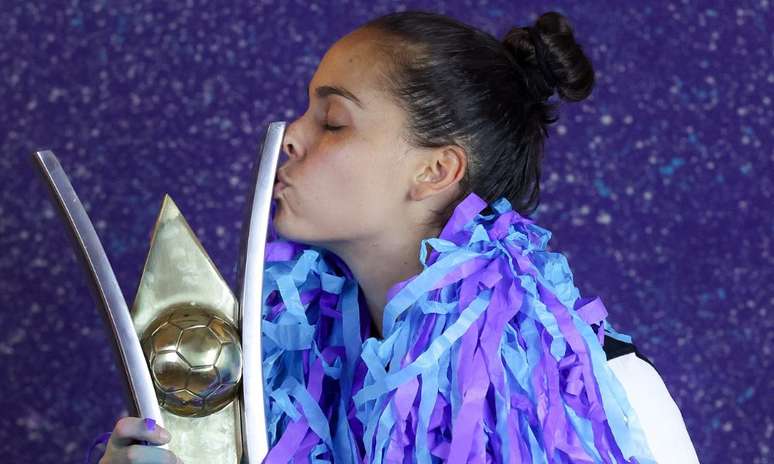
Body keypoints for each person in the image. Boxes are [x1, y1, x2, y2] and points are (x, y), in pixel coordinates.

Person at [88, 9, 700, 464]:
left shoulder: (597, 392)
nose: (291, 137)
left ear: (435, 171)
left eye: (332, 121)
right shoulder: (269, 381)